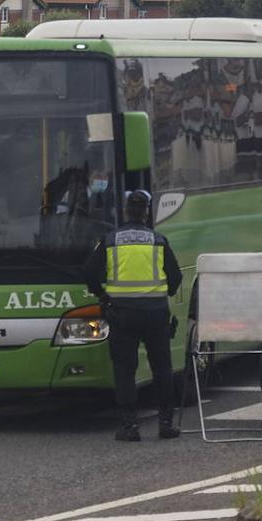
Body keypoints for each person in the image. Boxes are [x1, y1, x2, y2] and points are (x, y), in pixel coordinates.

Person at [84, 189, 183, 442]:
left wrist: (103, 295)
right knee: (162, 368)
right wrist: (163, 293)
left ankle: (130, 426)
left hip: (122, 314)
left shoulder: (110, 240)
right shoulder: (158, 240)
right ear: (147, 212)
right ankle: (165, 424)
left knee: (125, 369)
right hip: (155, 313)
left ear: (126, 211)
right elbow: (175, 277)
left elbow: (89, 272)